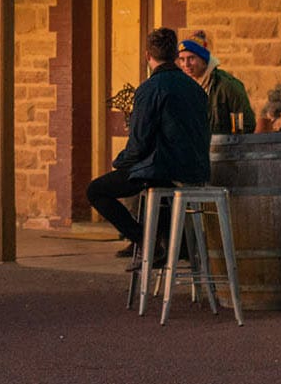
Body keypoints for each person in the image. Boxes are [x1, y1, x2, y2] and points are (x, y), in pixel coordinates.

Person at [86, 26, 210, 263]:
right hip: (197, 168)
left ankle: (146, 240)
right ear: (175, 54)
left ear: (147, 56)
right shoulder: (196, 89)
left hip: (167, 168)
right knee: (154, 183)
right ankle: (176, 243)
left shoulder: (150, 88)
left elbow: (139, 142)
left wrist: (121, 163)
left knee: (96, 190)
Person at [175, 30, 255, 135]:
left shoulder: (227, 86)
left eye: (191, 58)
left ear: (204, 60)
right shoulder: (182, 87)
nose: (186, 64)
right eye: (182, 59)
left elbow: (245, 125)